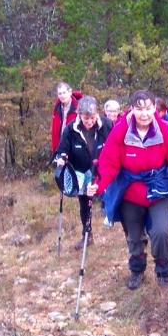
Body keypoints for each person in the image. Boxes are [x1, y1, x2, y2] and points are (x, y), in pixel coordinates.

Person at [87, 89, 168, 290]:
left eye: (148, 108)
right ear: (131, 109)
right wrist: (98, 185)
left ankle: (164, 274)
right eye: (139, 109)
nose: (144, 114)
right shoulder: (121, 131)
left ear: (154, 109)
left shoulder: (165, 130)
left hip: (158, 190)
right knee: (134, 236)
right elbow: (108, 163)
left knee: (161, 232)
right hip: (130, 192)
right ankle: (137, 270)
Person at [53, 96, 113, 250]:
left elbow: (115, 145)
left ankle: (119, 223)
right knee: (84, 203)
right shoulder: (71, 129)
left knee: (112, 197)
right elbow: (62, 150)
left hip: (102, 169)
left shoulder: (106, 125)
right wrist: (61, 158)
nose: (90, 121)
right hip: (81, 170)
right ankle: (87, 234)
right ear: (79, 115)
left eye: (92, 117)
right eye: (86, 118)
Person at [50, 82, 82, 153]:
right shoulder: (57, 108)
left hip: (74, 149)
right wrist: (55, 150)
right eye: (60, 94)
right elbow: (55, 131)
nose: (62, 96)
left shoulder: (78, 107)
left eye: (64, 93)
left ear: (70, 92)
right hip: (60, 148)